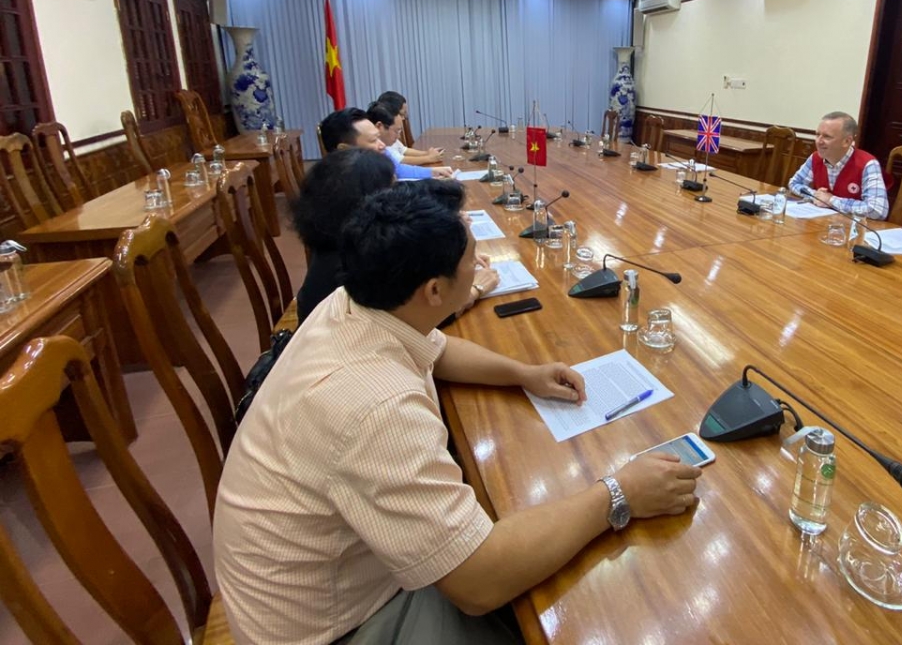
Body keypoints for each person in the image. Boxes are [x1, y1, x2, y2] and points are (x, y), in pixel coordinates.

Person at [214, 184, 701, 645]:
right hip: (336, 627)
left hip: (331, 580)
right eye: (472, 259)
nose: (480, 265)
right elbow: (478, 584)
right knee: (582, 604)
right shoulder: (374, 407)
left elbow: (435, 347)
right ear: (432, 291)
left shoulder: (357, 301)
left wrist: (523, 373)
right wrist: (620, 494)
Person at [292, 153, 499, 324]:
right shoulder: (352, 261)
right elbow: (416, 314)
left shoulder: (340, 237)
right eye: (392, 187)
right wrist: (473, 289)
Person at [787, 111, 889, 220]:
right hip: (821, 223)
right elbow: (794, 183)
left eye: (827, 137)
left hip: (854, 229)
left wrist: (832, 201)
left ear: (846, 141)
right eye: (817, 135)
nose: (818, 141)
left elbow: (878, 210)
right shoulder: (816, 158)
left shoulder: (867, 164)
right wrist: (815, 195)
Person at [319, 107, 453, 180]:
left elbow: (398, 170)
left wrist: (432, 173)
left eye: (378, 138)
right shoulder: (345, 189)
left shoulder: (372, 168)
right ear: (344, 149)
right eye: (373, 140)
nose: (382, 145)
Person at [376, 91, 445, 166]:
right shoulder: (382, 139)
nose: (403, 119)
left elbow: (403, 150)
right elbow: (400, 160)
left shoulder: (389, 134)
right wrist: (429, 158)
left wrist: (427, 153)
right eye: (401, 114)